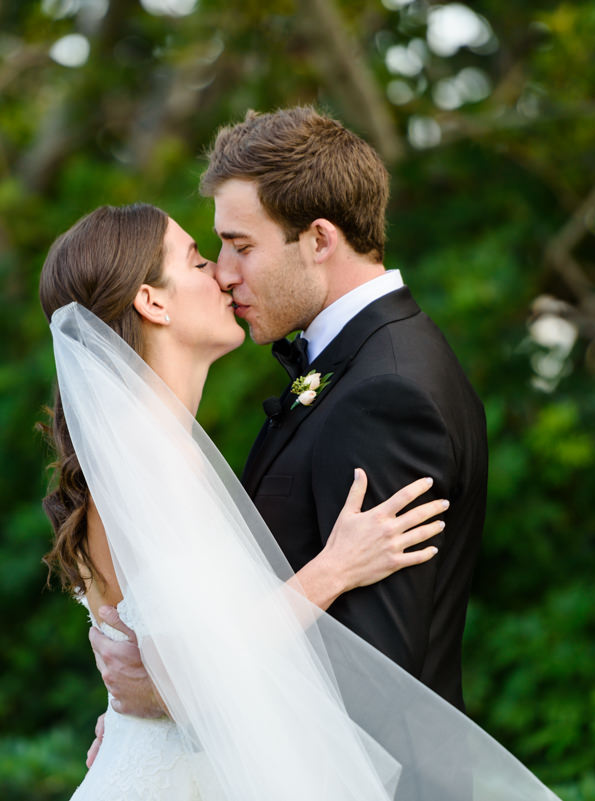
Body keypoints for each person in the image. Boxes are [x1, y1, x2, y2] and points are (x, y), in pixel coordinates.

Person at [42, 203, 560, 800]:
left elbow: (176, 660)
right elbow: (191, 671)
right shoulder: (143, 460)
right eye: (198, 259)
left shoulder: (158, 451)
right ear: (152, 302)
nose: (222, 274)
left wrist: (142, 705)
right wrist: (334, 569)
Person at [92, 107, 487, 737]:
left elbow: (374, 676)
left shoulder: (386, 394)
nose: (223, 271)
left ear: (320, 240)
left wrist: (175, 699)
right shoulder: (358, 366)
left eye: (241, 246)